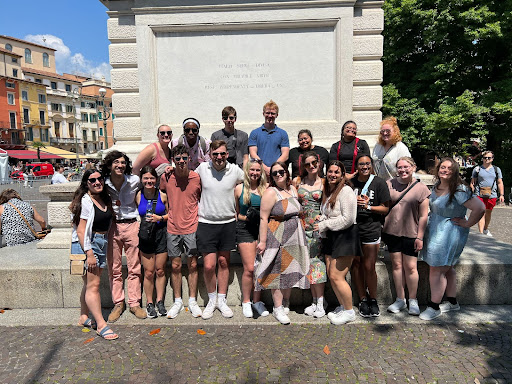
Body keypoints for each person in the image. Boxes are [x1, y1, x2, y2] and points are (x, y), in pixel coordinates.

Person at [419, 158, 485, 320]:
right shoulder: (437, 186)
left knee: (437, 269)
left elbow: (480, 208)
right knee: (447, 268)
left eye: (449, 168)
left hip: (449, 233)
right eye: (442, 167)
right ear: (438, 169)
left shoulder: (459, 190)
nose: (445, 170)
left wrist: (468, 222)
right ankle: (452, 302)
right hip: (436, 231)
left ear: (454, 170)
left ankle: (434, 307)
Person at [255, 162, 310, 324]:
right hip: (277, 235)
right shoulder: (271, 192)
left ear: (287, 172)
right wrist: (263, 241)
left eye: (281, 172)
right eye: (274, 173)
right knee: (276, 271)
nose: (278, 175)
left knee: (290, 269)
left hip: (294, 236)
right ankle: (277, 308)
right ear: (271, 177)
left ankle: (286, 302)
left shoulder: (292, 189)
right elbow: (263, 217)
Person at [195, 140, 244, 319]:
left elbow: (252, 181)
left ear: (227, 154)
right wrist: (168, 169)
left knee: (224, 263)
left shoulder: (235, 170)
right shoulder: (202, 169)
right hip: (206, 222)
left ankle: (221, 300)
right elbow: (186, 177)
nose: (219, 157)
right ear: (210, 154)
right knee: (208, 266)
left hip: (228, 222)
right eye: (215, 154)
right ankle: (211, 299)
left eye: (222, 153)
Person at [69, 170, 118, 340]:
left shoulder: (102, 198)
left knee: (89, 283)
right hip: (91, 245)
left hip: (100, 242)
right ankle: (101, 325)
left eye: (100, 179)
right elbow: (81, 230)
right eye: (93, 180)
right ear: (86, 183)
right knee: (94, 286)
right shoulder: (86, 201)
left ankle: (83, 316)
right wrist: (89, 252)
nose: (97, 182)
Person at [102, 151, 146, 321]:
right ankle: (118, 303)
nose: (120, 165)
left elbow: (152, 182)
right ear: (109, 165)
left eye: (122, 162)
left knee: (135, 266)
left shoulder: (134, 181)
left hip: (132, 224)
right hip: (113, 226)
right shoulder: (104, 183)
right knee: (114, 268)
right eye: (116, 162)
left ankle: (134, 303)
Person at [159, 144, 203, 319]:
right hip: (173, 227)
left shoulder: (196, 178)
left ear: (189, 159)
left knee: (192, 264)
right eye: (178, 159)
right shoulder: (166, 177)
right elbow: (161, 194)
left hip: (192, 227)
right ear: (173, 160)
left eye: (184, 158)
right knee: (175, 266)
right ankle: (177, 300)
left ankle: (192, 300)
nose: (182, 161)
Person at [314, 161, 359, 325]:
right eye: (330, 172)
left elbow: (348, 219)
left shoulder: (346, 191)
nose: (333, 175)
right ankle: (343, 305)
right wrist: (323, 218)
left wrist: (324, 224)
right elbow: (332, 214)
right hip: (332, 237)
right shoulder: (329, 190)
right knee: (331, 276)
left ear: (342, 174)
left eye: (337, 172)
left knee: (337, 276)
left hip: (345, 237)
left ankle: (349, 311)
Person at [383, 157, 429, 316]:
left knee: (410, 267)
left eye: (406, 167)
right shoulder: (389, 184)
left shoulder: (421, 188)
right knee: (396, 266)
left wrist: (420, 236)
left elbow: (424, 215)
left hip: (411, 232)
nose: (402, 170)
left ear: (413, 167)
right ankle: (400, 299)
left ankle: (413, 299)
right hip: (392, 231)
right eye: (399, 167)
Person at [350, 155, 390, 317]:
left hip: (371, 228)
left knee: (369, 266)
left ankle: (373, 299)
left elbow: (385, 208)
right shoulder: (351, 183)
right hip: (352, 228)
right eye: (361, 164)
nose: (364, 166)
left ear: (371, 165)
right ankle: (362, 299)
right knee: (356, 265)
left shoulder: (379, 183)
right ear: (356, 166)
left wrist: (368, 206)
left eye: (367, 164)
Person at [293, 151, 328, 318]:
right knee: (308, 264)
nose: (312, 166)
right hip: (302, 227)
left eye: (314, 162)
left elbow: (331, 204)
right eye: (308, 164)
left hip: (318, 229)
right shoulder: (298, 182)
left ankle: (320, 302)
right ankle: (314, 300)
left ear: (319, 162)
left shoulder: (325, 183)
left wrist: (324, 217)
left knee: (317, 263)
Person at [234, 158, 268, 318]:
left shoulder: (266, 189)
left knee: (260, 269)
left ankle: (257, 301)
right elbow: (236, 213)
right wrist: (247, 218)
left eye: (257, 170)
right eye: (252, 170)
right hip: (245, 229)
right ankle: (246, 301)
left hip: (262, 231)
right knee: (250, 268)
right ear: (247, 171)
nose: (254, 173)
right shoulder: (239, 189)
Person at [135, 166, 168, 318]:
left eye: (151, 178)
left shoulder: (162, 195)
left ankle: (160, 301)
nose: (149, 181)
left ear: (156, 179)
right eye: (146, 178)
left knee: (160, 270)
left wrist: (160, 218)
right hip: (145, 235)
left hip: (161, 233)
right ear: (141, 180)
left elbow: (171, 214)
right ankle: (149, 302)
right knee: (148, 272)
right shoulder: (138, 195)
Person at [248, 100, 290, 177]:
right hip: (259, 173)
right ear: (263, 114)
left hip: (277, 173)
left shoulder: (283, 133)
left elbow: (285, 155)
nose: (270, 116)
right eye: (267, 113)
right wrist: (264, 168)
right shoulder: (254, 133)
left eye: (273, 113)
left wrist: (273, 168)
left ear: (277, 115)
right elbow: (253, 154)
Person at [471, 151, 504, 237]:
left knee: (488, 212)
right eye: (485, 158)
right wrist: (472, 191)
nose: (486, 159)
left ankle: (485, 228)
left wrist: (501, 195)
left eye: (489, 158)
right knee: (481, 212)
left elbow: (500, 182)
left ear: (492, 159)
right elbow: (472, 182)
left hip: (491, 195)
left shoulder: (496, 169)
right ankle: (481, 234)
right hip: (479, 194)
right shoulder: (477, 169)